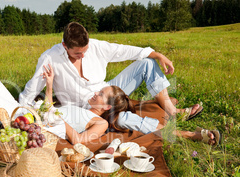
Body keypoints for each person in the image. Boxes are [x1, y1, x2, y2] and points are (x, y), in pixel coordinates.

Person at [19, 22, 203, 122]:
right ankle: (149, 110)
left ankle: (173, 111)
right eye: (77, 53)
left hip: (107, 92)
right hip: (84, 107)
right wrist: (18, 114)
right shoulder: (50, 58)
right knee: (118, 121)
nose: (83, 56)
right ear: (65, 45)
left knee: (147, 63)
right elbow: (31, 90)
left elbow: (125, 50)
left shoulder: (96, 47)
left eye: (85, 51)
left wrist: (158, 55)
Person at [42, 64, 220, 146]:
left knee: (137, 122)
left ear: (106, 107)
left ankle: (192, 135)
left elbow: (79, 139)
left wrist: (59, 119)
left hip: (108, 118)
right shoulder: (83, 108)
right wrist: (49, 85)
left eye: (100, 94)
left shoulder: (106, 120)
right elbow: (49, 110)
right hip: (45, 119)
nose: (95, 93)